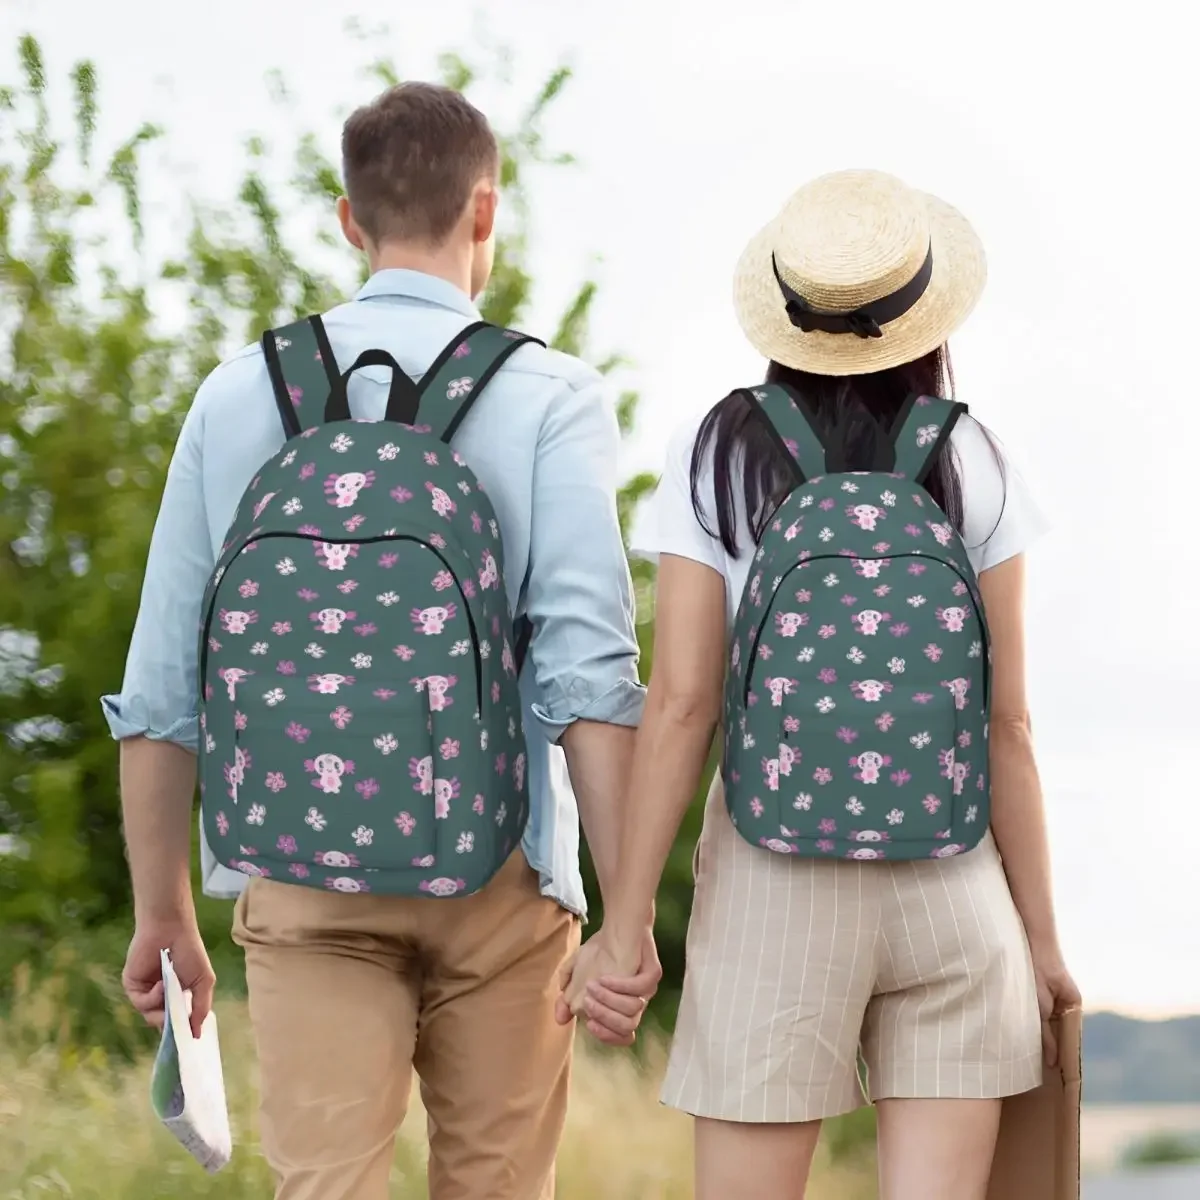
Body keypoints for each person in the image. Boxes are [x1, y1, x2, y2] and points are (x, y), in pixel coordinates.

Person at [104, 81, 660, 1200]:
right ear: (486, 213)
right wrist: (627, 914)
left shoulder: (235, 395)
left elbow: (164, 682)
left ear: (349, 220)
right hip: (503, 872)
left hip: (301, 873)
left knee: (326, 1186)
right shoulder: (550, 395)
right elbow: (588, 678)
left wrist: (162, 911)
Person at [562, 169, 1081, 1200]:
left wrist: (623, 926)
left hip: (773, 880)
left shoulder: (717, 452)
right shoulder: (974, 457)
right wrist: (1043, 943)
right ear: (925, 316)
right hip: (954, 883)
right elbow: (1007, 724)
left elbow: (681, 705)